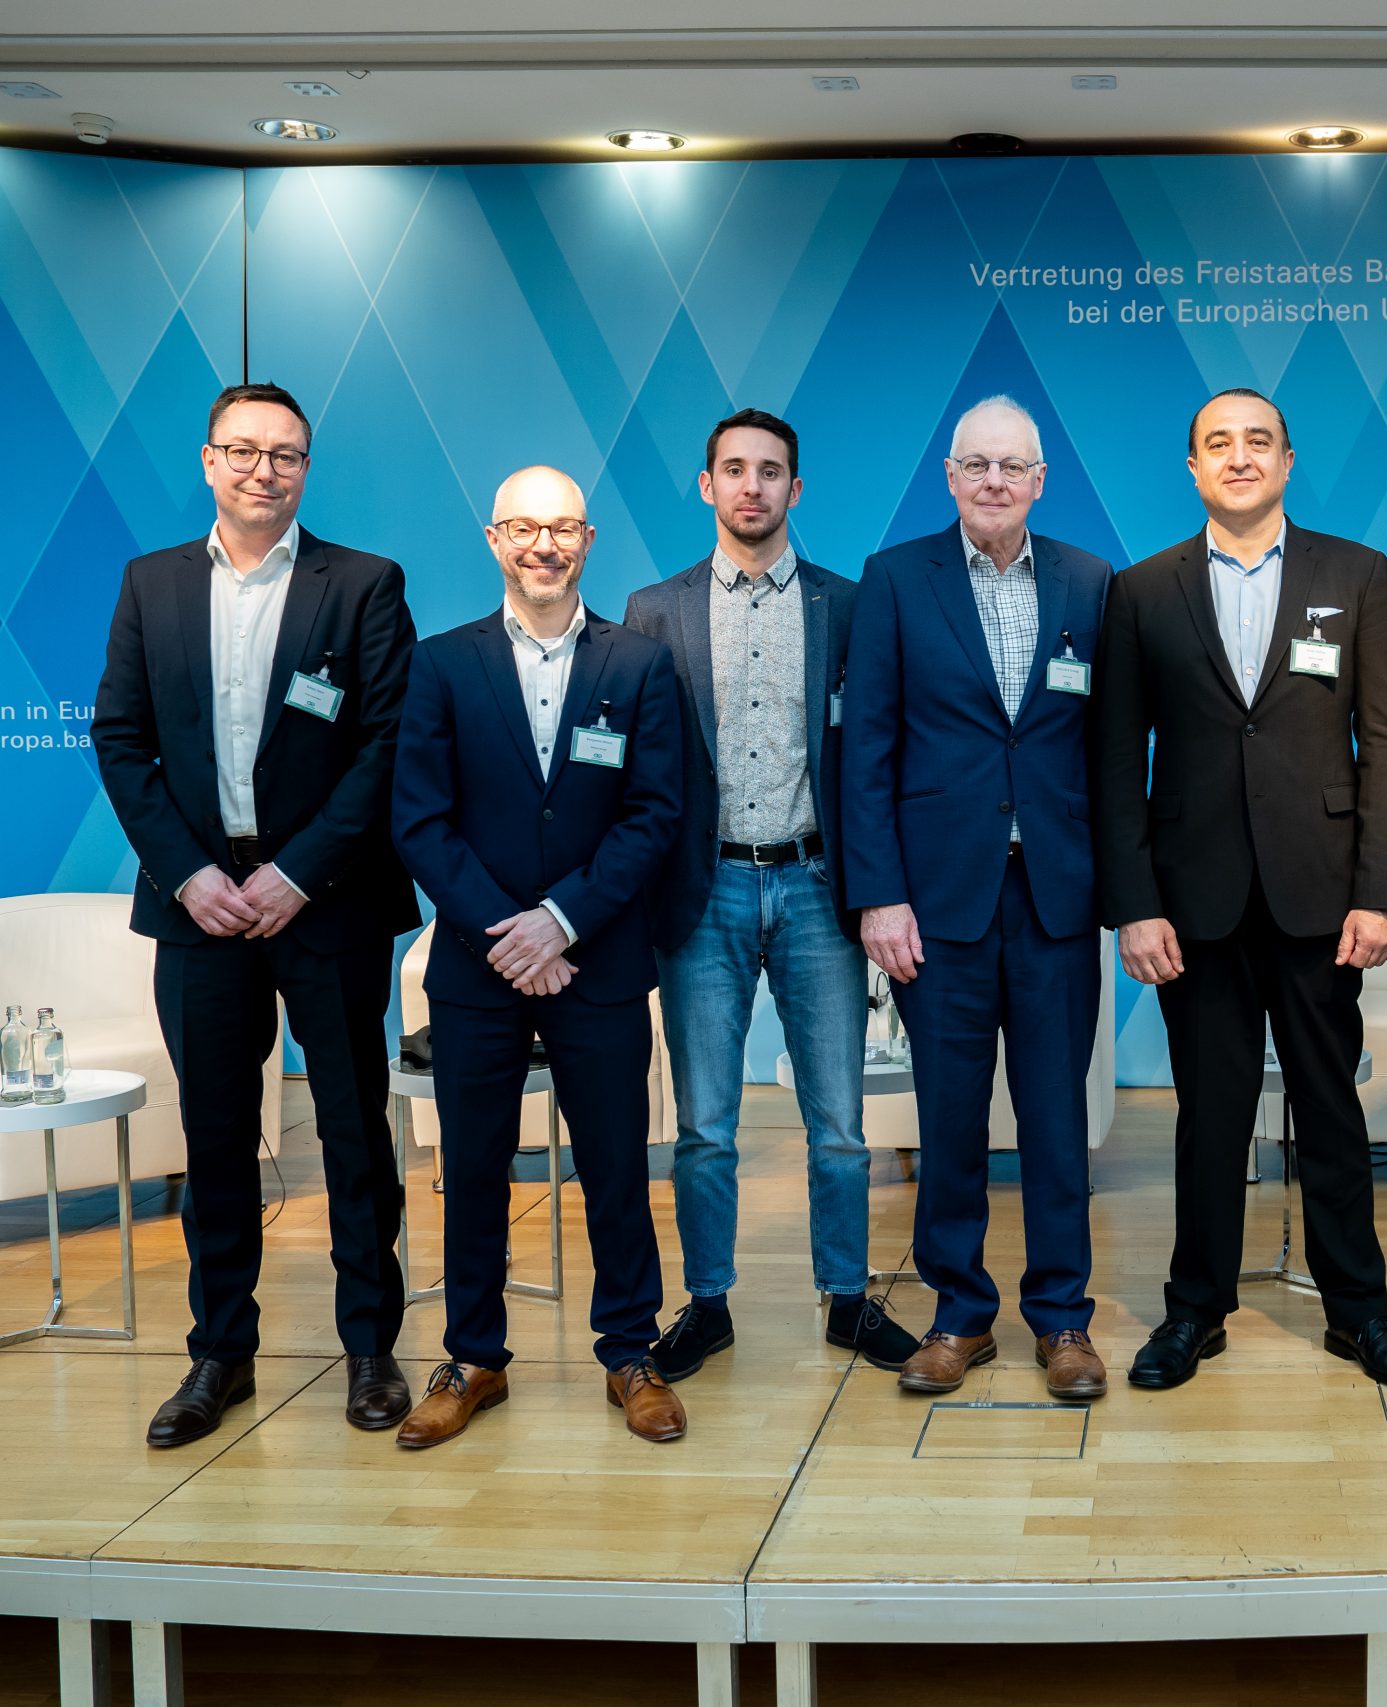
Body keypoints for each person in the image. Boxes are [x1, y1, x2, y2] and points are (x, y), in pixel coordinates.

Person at [94, 381, 419, 1448]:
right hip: (199, 907)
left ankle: (369, 1347)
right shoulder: (151, 584)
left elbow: (385, 744)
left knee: (352, 1130)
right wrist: (189, 874)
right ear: (208, 461)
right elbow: (120, 739)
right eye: (242, 450)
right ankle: (219, 1354)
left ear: (306, 470)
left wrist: (298, 873)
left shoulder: (363, 583)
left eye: (284, 454)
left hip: (326, 904)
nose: (262, 470)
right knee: (217, 1135)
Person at [1093, 387, 1387, 1390]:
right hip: (1192, 903)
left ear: (1286, 462)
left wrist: (1380, 892)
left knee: (1330, 1107)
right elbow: (1116, 759)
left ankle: (1358, 1312)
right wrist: (1134, 903)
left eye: (1257, 442)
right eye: (1217, 443)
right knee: (1209, 1115)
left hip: (1322, 896)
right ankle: (1195, 1310)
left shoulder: (1357, 574)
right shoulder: (1141, 590)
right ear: (1193, 468)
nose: (1238, 457)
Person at [387, 466, 687, 1447]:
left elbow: (655, 815)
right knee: (473, 1169)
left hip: (597, 960)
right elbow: (420, 822)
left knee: (616, 1167)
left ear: (588, 540)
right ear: (493, 540)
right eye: (523, 528)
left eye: (562, 528)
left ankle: (630, 1352)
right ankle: (474, 1358)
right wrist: (510, 932)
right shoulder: (441, 664)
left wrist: (560, 922)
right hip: (479, 968)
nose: (543, 545)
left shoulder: (640, 665)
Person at [623, 409, 917, 1383]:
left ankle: (846, 1299)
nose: (753, 486)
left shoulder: (848, 605)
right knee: (705, 1127)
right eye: (735, 470)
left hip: (816, 888)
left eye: (771, 471)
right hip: (701, 890)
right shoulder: (653, 610)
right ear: (707, 485)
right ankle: (707, 1304)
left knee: (839, 1127)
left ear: (797, 488)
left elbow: (874, 755)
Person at [844, 396, 1115, 1402]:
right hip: (937, 903)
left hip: (1054, 899)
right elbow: (866, 751)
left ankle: (1062, 1318)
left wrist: (1122, 892)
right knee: (949, 1122)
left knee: (1056, 1120)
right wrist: (879, 895)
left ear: (1041, 480)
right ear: (949, 476)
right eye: (977, 464)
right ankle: (959, 1314)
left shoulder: (1092, 583)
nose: (994, 481)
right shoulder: (894, 579)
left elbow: (1109, 750)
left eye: (1013, 466)